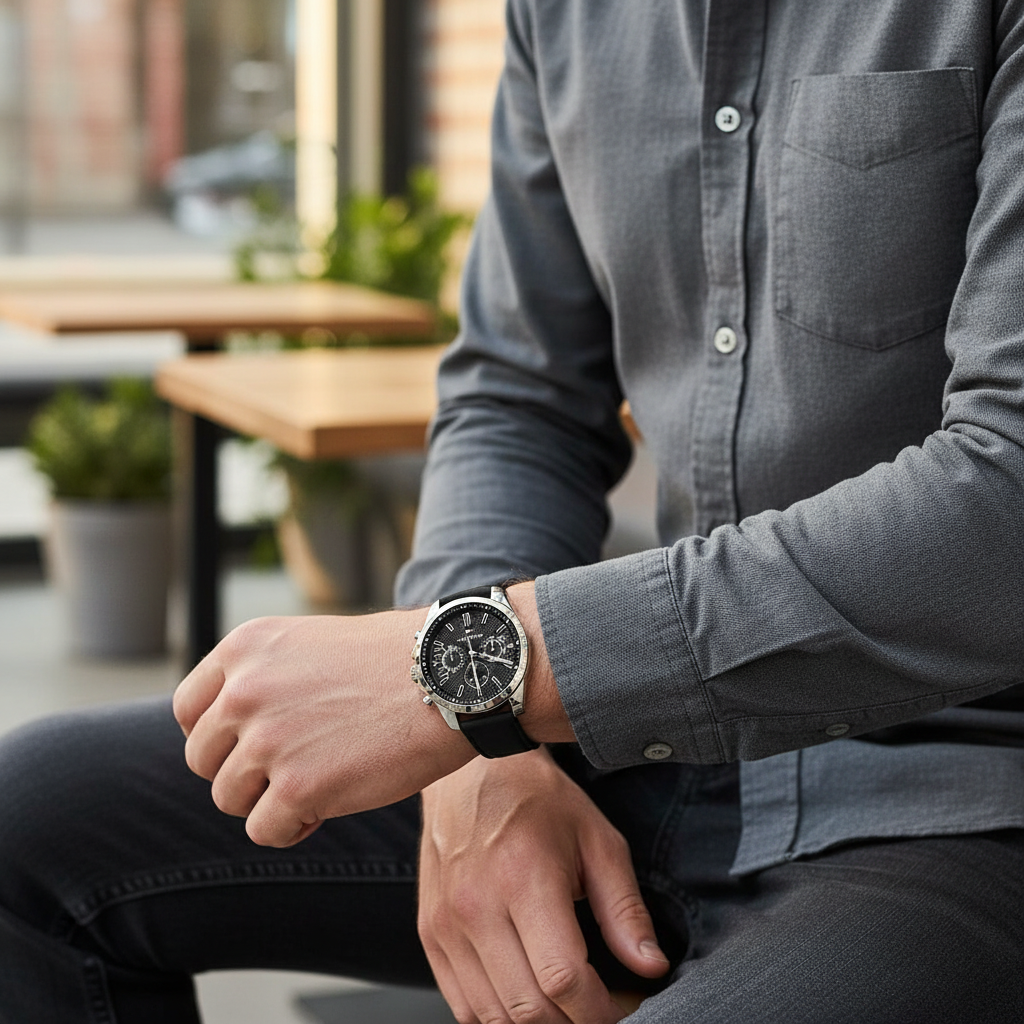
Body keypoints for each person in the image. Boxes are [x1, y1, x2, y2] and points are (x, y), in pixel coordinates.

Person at [3, 1, 1024, 1021]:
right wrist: (481, 750)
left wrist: (468, 677)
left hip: (952, 790)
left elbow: (1004, 498)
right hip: (634, 750)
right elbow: (519, 397)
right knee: (27, 826)